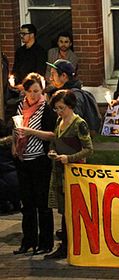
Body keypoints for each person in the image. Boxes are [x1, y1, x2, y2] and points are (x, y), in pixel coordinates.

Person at [10, 73, 56, 255]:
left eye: (36, 91)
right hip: (23, 160)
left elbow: (52, 134)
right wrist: (15, 144)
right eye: (29, 92)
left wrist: (30, 131)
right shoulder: (21, 106)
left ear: (42, 90)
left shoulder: (47, 108)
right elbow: (15, 128)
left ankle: (45, 242)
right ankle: (28, 240)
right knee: (27, 203)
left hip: (40, 160)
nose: (33, 96)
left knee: (42, 203)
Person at [45, 89, 93, 259]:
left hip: (74, 171)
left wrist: (69, 157)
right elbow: (54, 141)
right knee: (64, 209)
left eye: (62, 108)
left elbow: (88, 149)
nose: (59, 112)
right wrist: (52, 151)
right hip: (59, 171)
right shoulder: (59, 121)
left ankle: (68, 244)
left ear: (71, 106)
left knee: (71, 209)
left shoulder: (79, 123)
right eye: (56, 108)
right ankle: (66, 242)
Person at [46, 59, 101, 135]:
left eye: (53, 74)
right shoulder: (56, 93)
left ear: (64, 76)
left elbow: (73, 124)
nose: (50, 78)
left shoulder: (74, 96)